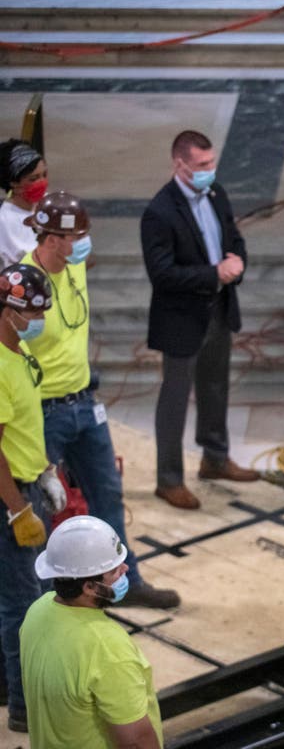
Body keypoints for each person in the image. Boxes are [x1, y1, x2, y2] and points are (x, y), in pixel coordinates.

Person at [26, 192, 179, 609]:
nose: (84, 241)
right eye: (77, 235)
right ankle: (45, 604)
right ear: (51, 238)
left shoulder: (75, 266)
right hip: (43, 412)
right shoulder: (25, 284)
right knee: (40, 508)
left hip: (84, 404)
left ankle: (122, 580)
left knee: (108, 493)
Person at [141, 130, 258, 511]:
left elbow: (233, 239)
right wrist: (214, 274)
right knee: (175, 398)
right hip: (181, 319)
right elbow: (162, 274)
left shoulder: (216, 193)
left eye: (212, 163)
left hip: (219, 310)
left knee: (215, 387)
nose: (210, 170)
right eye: (202, 165)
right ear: (180, 164)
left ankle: (215, 458)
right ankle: (169, 479)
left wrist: (236, 265)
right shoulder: (159, 211)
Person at [22, 516, 162, 749]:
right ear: (89, 587)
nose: (125, 570)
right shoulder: (107, 647)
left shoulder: (38, 610)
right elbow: (136, 742)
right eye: (115, 570)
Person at [0, 263, 63, 733]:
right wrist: (18, 508)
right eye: (35, 311)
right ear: (11, 311)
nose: (40, 319)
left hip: (26, 484)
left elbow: (21, 428)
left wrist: (43, 471)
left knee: (23, 596)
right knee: (22, 605)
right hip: (8, 500)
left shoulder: (17, 349)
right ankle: (23, 707)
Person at [0, 139, 47, 266]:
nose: (42, 182)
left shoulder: (49, 204)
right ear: (14, 183)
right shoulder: (4, 220)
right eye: (34, 178)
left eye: (44, 175)